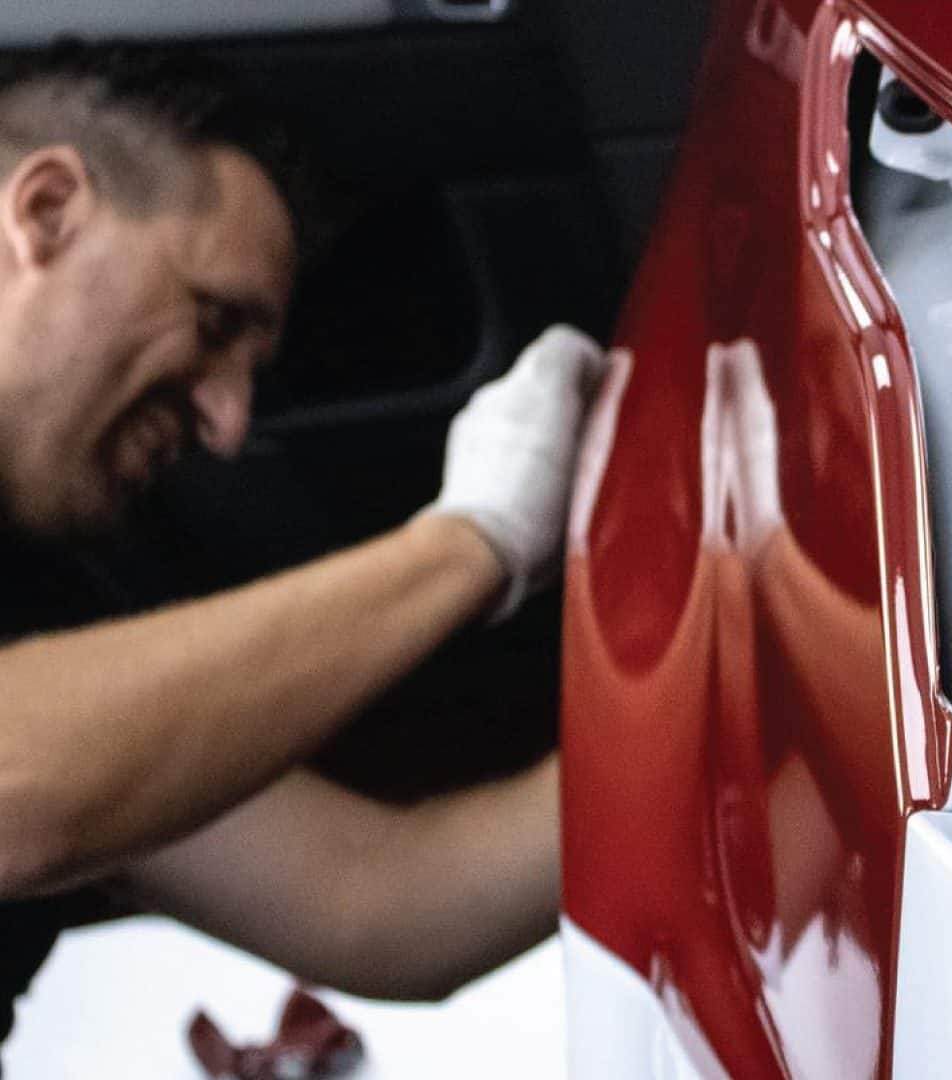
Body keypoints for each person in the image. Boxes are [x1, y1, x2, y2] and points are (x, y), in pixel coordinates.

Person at [0, 43, 611, 1050]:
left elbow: (388, 904)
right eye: (212, 323)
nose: (228, 422)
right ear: (48, 212)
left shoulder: (51, 618)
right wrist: (472, 541)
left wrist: (727, 706)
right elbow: (17, 789)